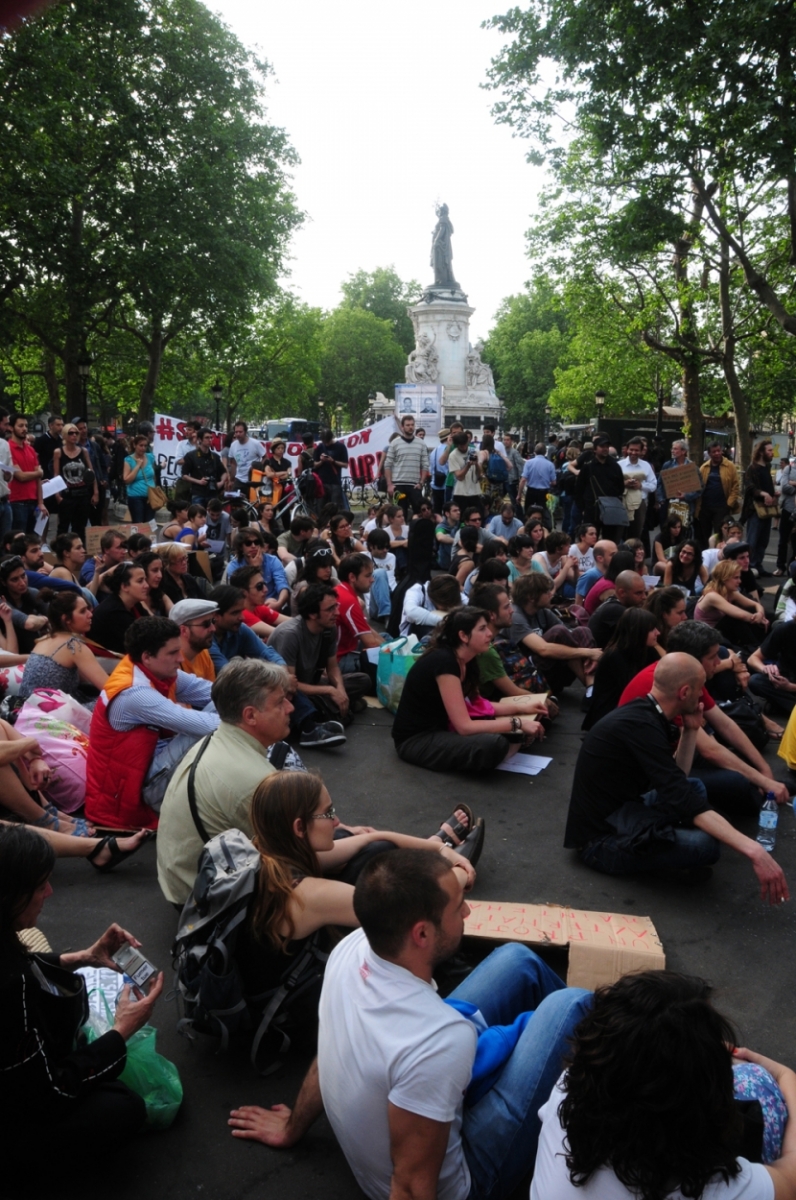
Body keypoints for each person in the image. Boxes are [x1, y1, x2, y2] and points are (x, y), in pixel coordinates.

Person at [229, 849, 591, 1200]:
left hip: (413, 1104)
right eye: (456, 907)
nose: (466, 909)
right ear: (421, 934)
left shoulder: (351, 950)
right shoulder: (440, 1041)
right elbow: (412, 1188)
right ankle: (619, 1091)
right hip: (462, 1183)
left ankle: (595, 1071)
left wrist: (293, 1128)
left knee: (518, 959)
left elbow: (332, 1051)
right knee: (571, 1004)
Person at [532, 969, 796, 1200]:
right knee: (757, 1083)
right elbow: (791, 1182)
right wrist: (784, 1075)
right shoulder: (721, 1190)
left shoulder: (570, 1090)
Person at [0, 825, 165, 1172]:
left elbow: (27, 964)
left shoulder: (9, 952)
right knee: (123, 1108)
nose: (49, 891)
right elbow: (50, 1094)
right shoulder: (9, 988)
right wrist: (121, 1032)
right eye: (38, 885)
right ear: (10, 894)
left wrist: (83, 956)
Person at [565, 653, 789, 901]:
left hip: (624, 809)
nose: (704, 694)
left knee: (695, 786)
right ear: (684, 693)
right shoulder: (641, 726)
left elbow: (679, 779)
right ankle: (656, 860)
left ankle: (663, 844)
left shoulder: (649, 712)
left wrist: (691, 730)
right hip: (599, 839)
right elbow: (681, 798)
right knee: (705, 845)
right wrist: (755, 851)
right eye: (700, 688)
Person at [157, 659, 295, 905]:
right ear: (250, 715)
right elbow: (294, 855)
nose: (290, 708)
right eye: (279, 703)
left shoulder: (218, 737)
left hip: (183, 884)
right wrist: (361, 837)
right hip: (207, 907)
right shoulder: (255, 780)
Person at [85, 617, 219, 829]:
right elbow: (207, 726)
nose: (180, 657)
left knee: (224, 704)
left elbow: (218, 693)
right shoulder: (134, 693)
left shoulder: (148, 668)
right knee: (205, 730)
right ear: (147, 656)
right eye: (173, 652)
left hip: (140, 774)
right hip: (127, 799)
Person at [392, 606, 545, 773]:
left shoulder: (467, 660)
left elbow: (479, 705)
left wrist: (523, 708)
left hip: (444, 729)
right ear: (463, 636)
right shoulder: (445, 662)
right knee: (494, 744)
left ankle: (513, 744)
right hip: (417, 739)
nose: (489, 633)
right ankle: (509, 749)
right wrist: (518, 723)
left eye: (487, 627)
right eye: (482, 629)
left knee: (524, 724)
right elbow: (464, 726)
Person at [269, 584, 368, 735]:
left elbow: (333, 667)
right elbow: (290, 685)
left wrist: (340, 690)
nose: (337, 613)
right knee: (296, 702)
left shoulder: (329, 628)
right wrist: (329, 690)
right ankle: (327, 712)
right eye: (330, 609)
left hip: (314, 683)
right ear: (313, 614)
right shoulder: (290, 634)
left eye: (336, 606)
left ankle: (333, 708)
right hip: (292, 691)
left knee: (363, 680)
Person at [510, 572, 601, 690]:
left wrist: (587, 650)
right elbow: (543, 649)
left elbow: (570, 636)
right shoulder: (515, 616)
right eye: (546, 592)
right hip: (525, 670)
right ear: (531, 598)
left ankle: (591, 687)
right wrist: (588, 652)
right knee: (559, 631)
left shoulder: (542, 611)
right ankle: (591, 687)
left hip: (551, 669)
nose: (551, 594)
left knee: (582, 631)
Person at [18, 592, 109, 703]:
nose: (90, 614)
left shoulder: (44, 639)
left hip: (26, 712)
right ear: (66, 619)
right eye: (83, 611)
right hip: (55, 716)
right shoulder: (73, 646)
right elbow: (109, 689)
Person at [582, 607, 660, 731]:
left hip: (628, 709)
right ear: (638, 632)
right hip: (610, 715)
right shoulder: (614, 656)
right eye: (652, 629)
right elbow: (632, 690)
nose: (658, 633)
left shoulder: (647, 651)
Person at [693, 560, 768, 651]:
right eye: (736, 578)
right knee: (734, 619)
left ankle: (764, 645)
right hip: (706, 636)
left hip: (720, 633)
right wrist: (758, 620)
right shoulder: (712, 596)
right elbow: (741, 615)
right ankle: (757, 648)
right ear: (725, 578)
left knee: (760, 614)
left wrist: (760, 614)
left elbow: (756, 604)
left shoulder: (730, 592)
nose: (739, 581)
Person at [89, 562, 150, 655]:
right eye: (140, 581)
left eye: (145, 580)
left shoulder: (134, 604)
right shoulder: (113, 612)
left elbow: (152, 627)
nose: (146, 585)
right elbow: (143, 642)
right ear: (124, 586)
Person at [51, 422, 97, 542]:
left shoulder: (83, 451)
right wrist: (57, 495)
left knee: (80, 528)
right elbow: (56, 474)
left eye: (76, 433)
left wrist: (95, 492)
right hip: (67, 495)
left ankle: (79, 552)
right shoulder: (58, 452)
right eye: (71, 433)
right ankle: (60, 552)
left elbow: (91, 473)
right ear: (65, 435)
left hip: (83, 494)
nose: (74, 435)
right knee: (63, 527)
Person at [574, 435, 626, 539]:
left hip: (610, 510)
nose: (605, 448)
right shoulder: (587, 467)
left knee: (609, 539)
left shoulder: (615, 466)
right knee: (590, 539)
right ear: (595, 449)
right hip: (592, 510)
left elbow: (621, 487)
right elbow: (579, 489)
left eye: (607, 446)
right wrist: (583, 508)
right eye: (602, 446)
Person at [695, 441, 740, 548]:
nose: (717, 453)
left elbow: (735, 487)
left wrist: (729, 505)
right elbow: (698, 486)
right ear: (709, 454)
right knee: (703, 536)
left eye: (718, 451)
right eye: (714, 452)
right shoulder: (704, 467)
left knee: (720, 535)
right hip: (705, 507)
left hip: (722, 507)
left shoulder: (730, 466)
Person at [588, 569, 648, 648]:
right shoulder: (615, 610)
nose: (644, 597)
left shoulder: (616, 604)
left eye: (645, 592)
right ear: (622, 592)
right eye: (638, 593)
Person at [382, 415, 429, 515]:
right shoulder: (394, 443)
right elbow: (387, 465)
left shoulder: (421, 444)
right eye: (407, 425)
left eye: (412, 425)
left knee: (419, 513)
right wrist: (389, 485)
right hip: (398, 485)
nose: (410, 427)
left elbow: (425, 464)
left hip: (414, 485)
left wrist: (421, 482)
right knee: (399, 514)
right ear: (402, 427)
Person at [746, 622, 796, 715]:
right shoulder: (786, 629)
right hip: (785, 678)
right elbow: (752, 659)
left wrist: (790, 687)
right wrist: (765, 669)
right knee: (756, 681)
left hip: (790, 687)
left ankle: (785, 707)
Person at [744, 438, 776, 574]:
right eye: (769, 450)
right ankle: (749, 566)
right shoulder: (752, 468)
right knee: (753, 539)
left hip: (767, 509)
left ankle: (758, 564)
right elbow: (749, 487)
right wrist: (763, 494)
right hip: (755, 510)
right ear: (762, 452)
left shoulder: (767, 467)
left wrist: (774, 493)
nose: (772, 453)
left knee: (763, 540)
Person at [8, 414, 45, 534]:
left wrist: (40, 502)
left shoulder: (30, 449)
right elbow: (20, 476)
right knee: (20, 539)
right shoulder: (8, 449)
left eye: (26, 426)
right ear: (11, 428)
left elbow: (38, 479)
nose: (24, 428)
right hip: (17, 502)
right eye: (20, 426)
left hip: (33, 502)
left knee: (33, 539)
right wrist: (38, 473)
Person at [169, 597, 218, 680]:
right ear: (184, 630)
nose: (213, 628)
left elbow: (211, 691)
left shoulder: (203, 654)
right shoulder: (170, 663)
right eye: (206, 624)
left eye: (212, 621)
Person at [655, 436, 701, 526]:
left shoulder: (693, 468)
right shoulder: (667, 465)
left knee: (683, 530)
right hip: (668, 504)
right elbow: (659, 483)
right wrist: (661, 499)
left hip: (686, 505)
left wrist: (686, 496)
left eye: (675, 449)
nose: (672, 451)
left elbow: (700, 489)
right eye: (672, 448)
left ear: (683, 451)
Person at [618, 436, 657, 539]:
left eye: (636, 450)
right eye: (631, 450)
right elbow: (612, 484)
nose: (633, 453)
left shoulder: (646, 466)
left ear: (641, 451)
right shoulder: (619, 465)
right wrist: (624, 484)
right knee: (619, 532)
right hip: (622, 502)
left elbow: (653, 485)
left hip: (640, 504)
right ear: (627, 449)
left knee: (636, 533)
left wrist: (641, 486)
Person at [181, 427, 224, 506]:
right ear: (200, 439)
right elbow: (184, 475)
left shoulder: (215, 457)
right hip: (198, 493)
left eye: (211, 437)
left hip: (213, 493)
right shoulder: (191, 456)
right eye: (207, 438)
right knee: (197, 516)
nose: (210, 440)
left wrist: (221, 483)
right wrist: (199, 481)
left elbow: (224, 472)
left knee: (213, 516)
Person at [121, 432, 158, 523]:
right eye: (141, 445)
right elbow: (126, 480)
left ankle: (150, 538)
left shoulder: (150, 457)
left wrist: (155, 488)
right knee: (138, 524)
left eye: (145, 446)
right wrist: (137, 465)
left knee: (150, 524)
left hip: (150, 497)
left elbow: (153, 475)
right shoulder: (128, 460)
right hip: (136, 497)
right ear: (134, 445)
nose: (143, 448)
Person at [313, 429, 348, 511]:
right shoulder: (320, 447)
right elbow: (315, 464)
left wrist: (333, 461)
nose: (326, 444)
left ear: (331, 438)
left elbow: (345, 464)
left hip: (335, 482)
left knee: (335, 507)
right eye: (324, 442)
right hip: (322, 481)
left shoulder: (341, 447)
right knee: (320, 507)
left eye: (327, 442)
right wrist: (321, 461)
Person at [517, 441, 557, 515]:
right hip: (544, 493)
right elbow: (554, 482)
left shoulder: (529, 463)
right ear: (545, 452)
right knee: (542, 513)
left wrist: (519, 494)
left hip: (531, 491)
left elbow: (523, 480)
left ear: (535, 451)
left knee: (529, 513)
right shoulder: (550, 465)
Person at [645, 584, 688, 649]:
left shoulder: (681, 635)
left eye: (684, 612)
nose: (685, 617)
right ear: (664, 614)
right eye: (680, 613)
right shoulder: (650, 642)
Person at [227, 420, 265, 489]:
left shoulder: (255, 443)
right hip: (239, 479)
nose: (238, 434)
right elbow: (233, 464)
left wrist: (258, 467)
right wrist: (231, 480)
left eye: (240, 432)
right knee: (234, 499)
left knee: (252, 499)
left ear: (245, 432)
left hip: (253, 480)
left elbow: (265, 458)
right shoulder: (233, 445)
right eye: (236, 432)